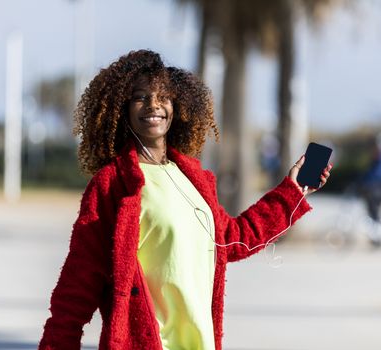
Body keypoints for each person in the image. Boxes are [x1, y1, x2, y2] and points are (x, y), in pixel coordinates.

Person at [38, 49, 332, 350]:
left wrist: (292, 193)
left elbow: (233, 239)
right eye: (140, 97)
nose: (154, 105)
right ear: (121, 108)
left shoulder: (193, 178)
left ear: (176, 105)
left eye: (163, 97)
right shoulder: (112, 185)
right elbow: (74, 293)